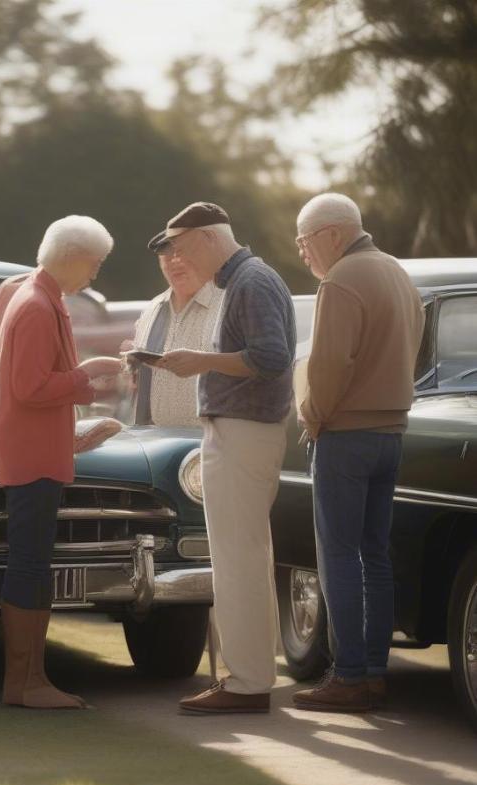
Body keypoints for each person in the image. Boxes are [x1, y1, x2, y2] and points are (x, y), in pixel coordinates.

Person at [146, 202, 296, 714]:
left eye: (182, 247)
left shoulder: (250, 282)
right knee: (244, 557)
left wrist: (201, 362)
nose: (179, 259)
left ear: (209, 239)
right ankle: (250, 676)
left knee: (238, 560)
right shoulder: (251, 279)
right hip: (244, 430)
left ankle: (248, 683)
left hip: (243, 431)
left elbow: (273, 359)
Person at [291, 193, 425, 713]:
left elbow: (327, 365)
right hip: (392, 431)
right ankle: (371, 672)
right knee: (375, 556)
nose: (303, 253)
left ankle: (347, 676)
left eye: (304, 241)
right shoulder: (395, 270)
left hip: (346, 435)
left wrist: (312, 415)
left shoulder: (342, 279)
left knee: (338, 555)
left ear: (331, 234)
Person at [0, 215, 122, 709]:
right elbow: (30, 388)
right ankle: (24, 683)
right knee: (29, 564)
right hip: (33, 454)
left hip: (37, 450)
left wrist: (78, 377)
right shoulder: (36, 305)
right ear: (72, 257)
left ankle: (31, 680)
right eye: (94, 263)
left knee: (35, 563)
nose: (94, 273)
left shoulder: (39, 298)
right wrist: (83, 376)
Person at [125, 215, 225, 427]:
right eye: (166, 253)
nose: (175, 260)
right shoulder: (152, 308)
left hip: (209, 443)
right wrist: (131, 362)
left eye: (183, 251)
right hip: (153, 440)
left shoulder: (227, 305)